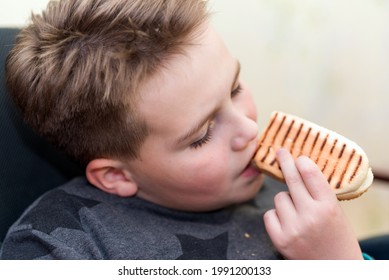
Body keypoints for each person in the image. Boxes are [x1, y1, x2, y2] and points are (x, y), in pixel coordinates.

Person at [0, 0, 364, 260]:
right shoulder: (59, 252)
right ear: (114, 175)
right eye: (203, 134)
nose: (250, 130)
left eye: (235, 88)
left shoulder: (271, 181)